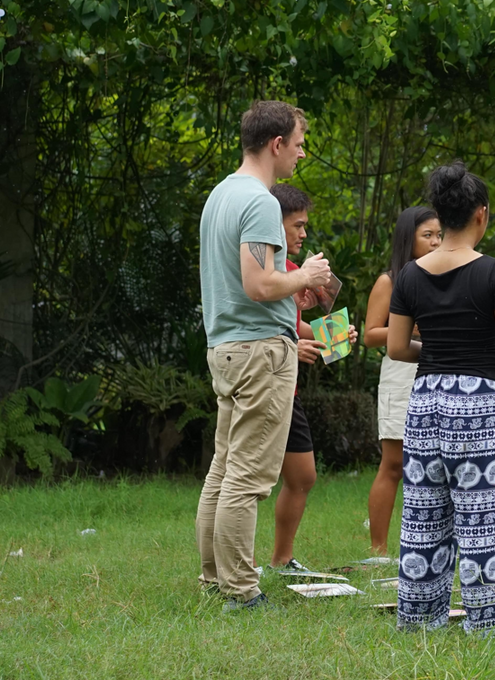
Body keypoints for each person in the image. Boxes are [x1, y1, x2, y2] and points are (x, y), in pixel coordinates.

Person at [196, 101, 332, 612]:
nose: (301, 153)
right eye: (298, 144)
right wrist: (307, 276)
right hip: (259, 354)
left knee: (224, 468)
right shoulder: (258, 202)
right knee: (249, 477)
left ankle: (214, 578)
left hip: (227, 348)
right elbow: (259, 284)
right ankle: (240, 590)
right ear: (276, 144)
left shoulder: (220, 195)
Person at [387, 162, 495, 635]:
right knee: (482, 518)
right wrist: (483, 348)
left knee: (424, 513)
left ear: (441, 216)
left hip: (426, 399)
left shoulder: (408, 274)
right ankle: (483, 624)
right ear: (480, 215)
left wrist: (439, 349)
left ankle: (419, 620)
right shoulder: (493, 272)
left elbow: (397, 347)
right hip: (481, 400)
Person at [266, 184, 357, 573]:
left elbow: (292, 326)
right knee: (250, 480)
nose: (304, 233)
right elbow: (261, 329)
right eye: (297, 225)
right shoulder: (268, 271)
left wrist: (331, 336)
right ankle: (233, 566)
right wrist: (291, 345)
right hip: (266, 383)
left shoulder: (293, 271)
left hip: (290, 389)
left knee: (303, 476)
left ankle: (282, 559)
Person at [363, 206, 443, 555]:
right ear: (407, 238)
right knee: (394, 464)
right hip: (401, 374)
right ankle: (378, 549)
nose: (436, 242)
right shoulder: (389, 280)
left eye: (439, 235)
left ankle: (434, 542)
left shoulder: (445, 275)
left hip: (439, 369)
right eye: (428, 235)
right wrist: (409, 327)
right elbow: (370, 335)